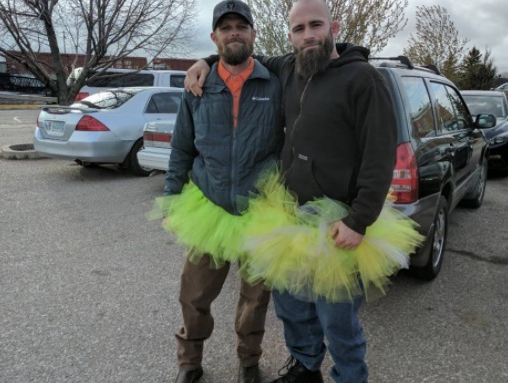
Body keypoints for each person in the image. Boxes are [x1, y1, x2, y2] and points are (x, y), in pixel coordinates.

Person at [184, 1, 423, 382]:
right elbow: (241, 53)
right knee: (292, 306)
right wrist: (205, 61)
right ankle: (306, 367)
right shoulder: (290, 67)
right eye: (299, 29)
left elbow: (380, 158)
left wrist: (359, 221)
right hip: (290, 215)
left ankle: (349, 376)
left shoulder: (364, 79)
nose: (308, 34)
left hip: (339, 221)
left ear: (335, 26)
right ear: (291, 35)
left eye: (316, 25)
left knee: (337, 319)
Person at [158, 1, 283, 382]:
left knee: (255, 298)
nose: (234, 32)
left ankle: (249, 361)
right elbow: (181, 147)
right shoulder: (198, 86)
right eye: (225, 27)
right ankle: (189, 364)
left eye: (241, 26)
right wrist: (170, 196)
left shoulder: (274, 83)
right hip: (208, 206)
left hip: (259, 208)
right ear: (214, 37)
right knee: (194, 296)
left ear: (253, 34)